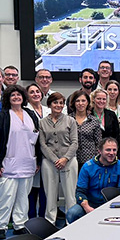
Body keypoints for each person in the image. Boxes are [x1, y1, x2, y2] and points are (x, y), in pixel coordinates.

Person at [0, 84, 40, 240]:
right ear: (8, 98)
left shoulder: (30, 114)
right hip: (8, 163)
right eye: (13, 95)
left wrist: (38, 160)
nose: (16, 98)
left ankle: (20, 224)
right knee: (5, 196)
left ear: (24, 98)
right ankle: (0, 226)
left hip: (27, 161)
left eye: (19, 95)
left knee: (23, 197)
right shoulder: (2, 116)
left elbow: (38, 139)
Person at [65, 138, 120, 224]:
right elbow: (80, 192)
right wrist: (87, 208)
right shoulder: (87, 167)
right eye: (108, 150)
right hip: (90, 203)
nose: (111, 153)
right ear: (100, 151)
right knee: (72, 213)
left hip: (111, 205)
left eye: (114, 150)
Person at [38, 92, 78, 225]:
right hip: (49, 162)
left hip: (69, 160)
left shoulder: (70, 121)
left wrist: (65, 158)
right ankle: (50, 221)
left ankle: (70, 221)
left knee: (70, 194)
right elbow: (42, 144)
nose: (58, 105)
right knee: (50, 194)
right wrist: (55, 159)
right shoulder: (42, 122)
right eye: (55, 102)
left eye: (61, 103)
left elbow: (74, 142)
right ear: (49, 104)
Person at [25, 83, 49, 219]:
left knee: (45, 188)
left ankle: (44, 217)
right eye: (32, 92)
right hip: (31, 153)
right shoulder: (24, 111)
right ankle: (31, 217)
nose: (35, 94)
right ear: (27, 96)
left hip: (48, 153)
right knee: (32, 189)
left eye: (37, 92)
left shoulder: (48, 110)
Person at [69, 90, 102, 167]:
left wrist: (96, 160)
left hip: (90, 161)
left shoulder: (94, 120)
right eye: (77, 101)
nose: (81, 103)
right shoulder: (68, 119)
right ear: (74, 102)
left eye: (83, 101)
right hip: (71, 160)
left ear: (87, 103)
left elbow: (99, 143)